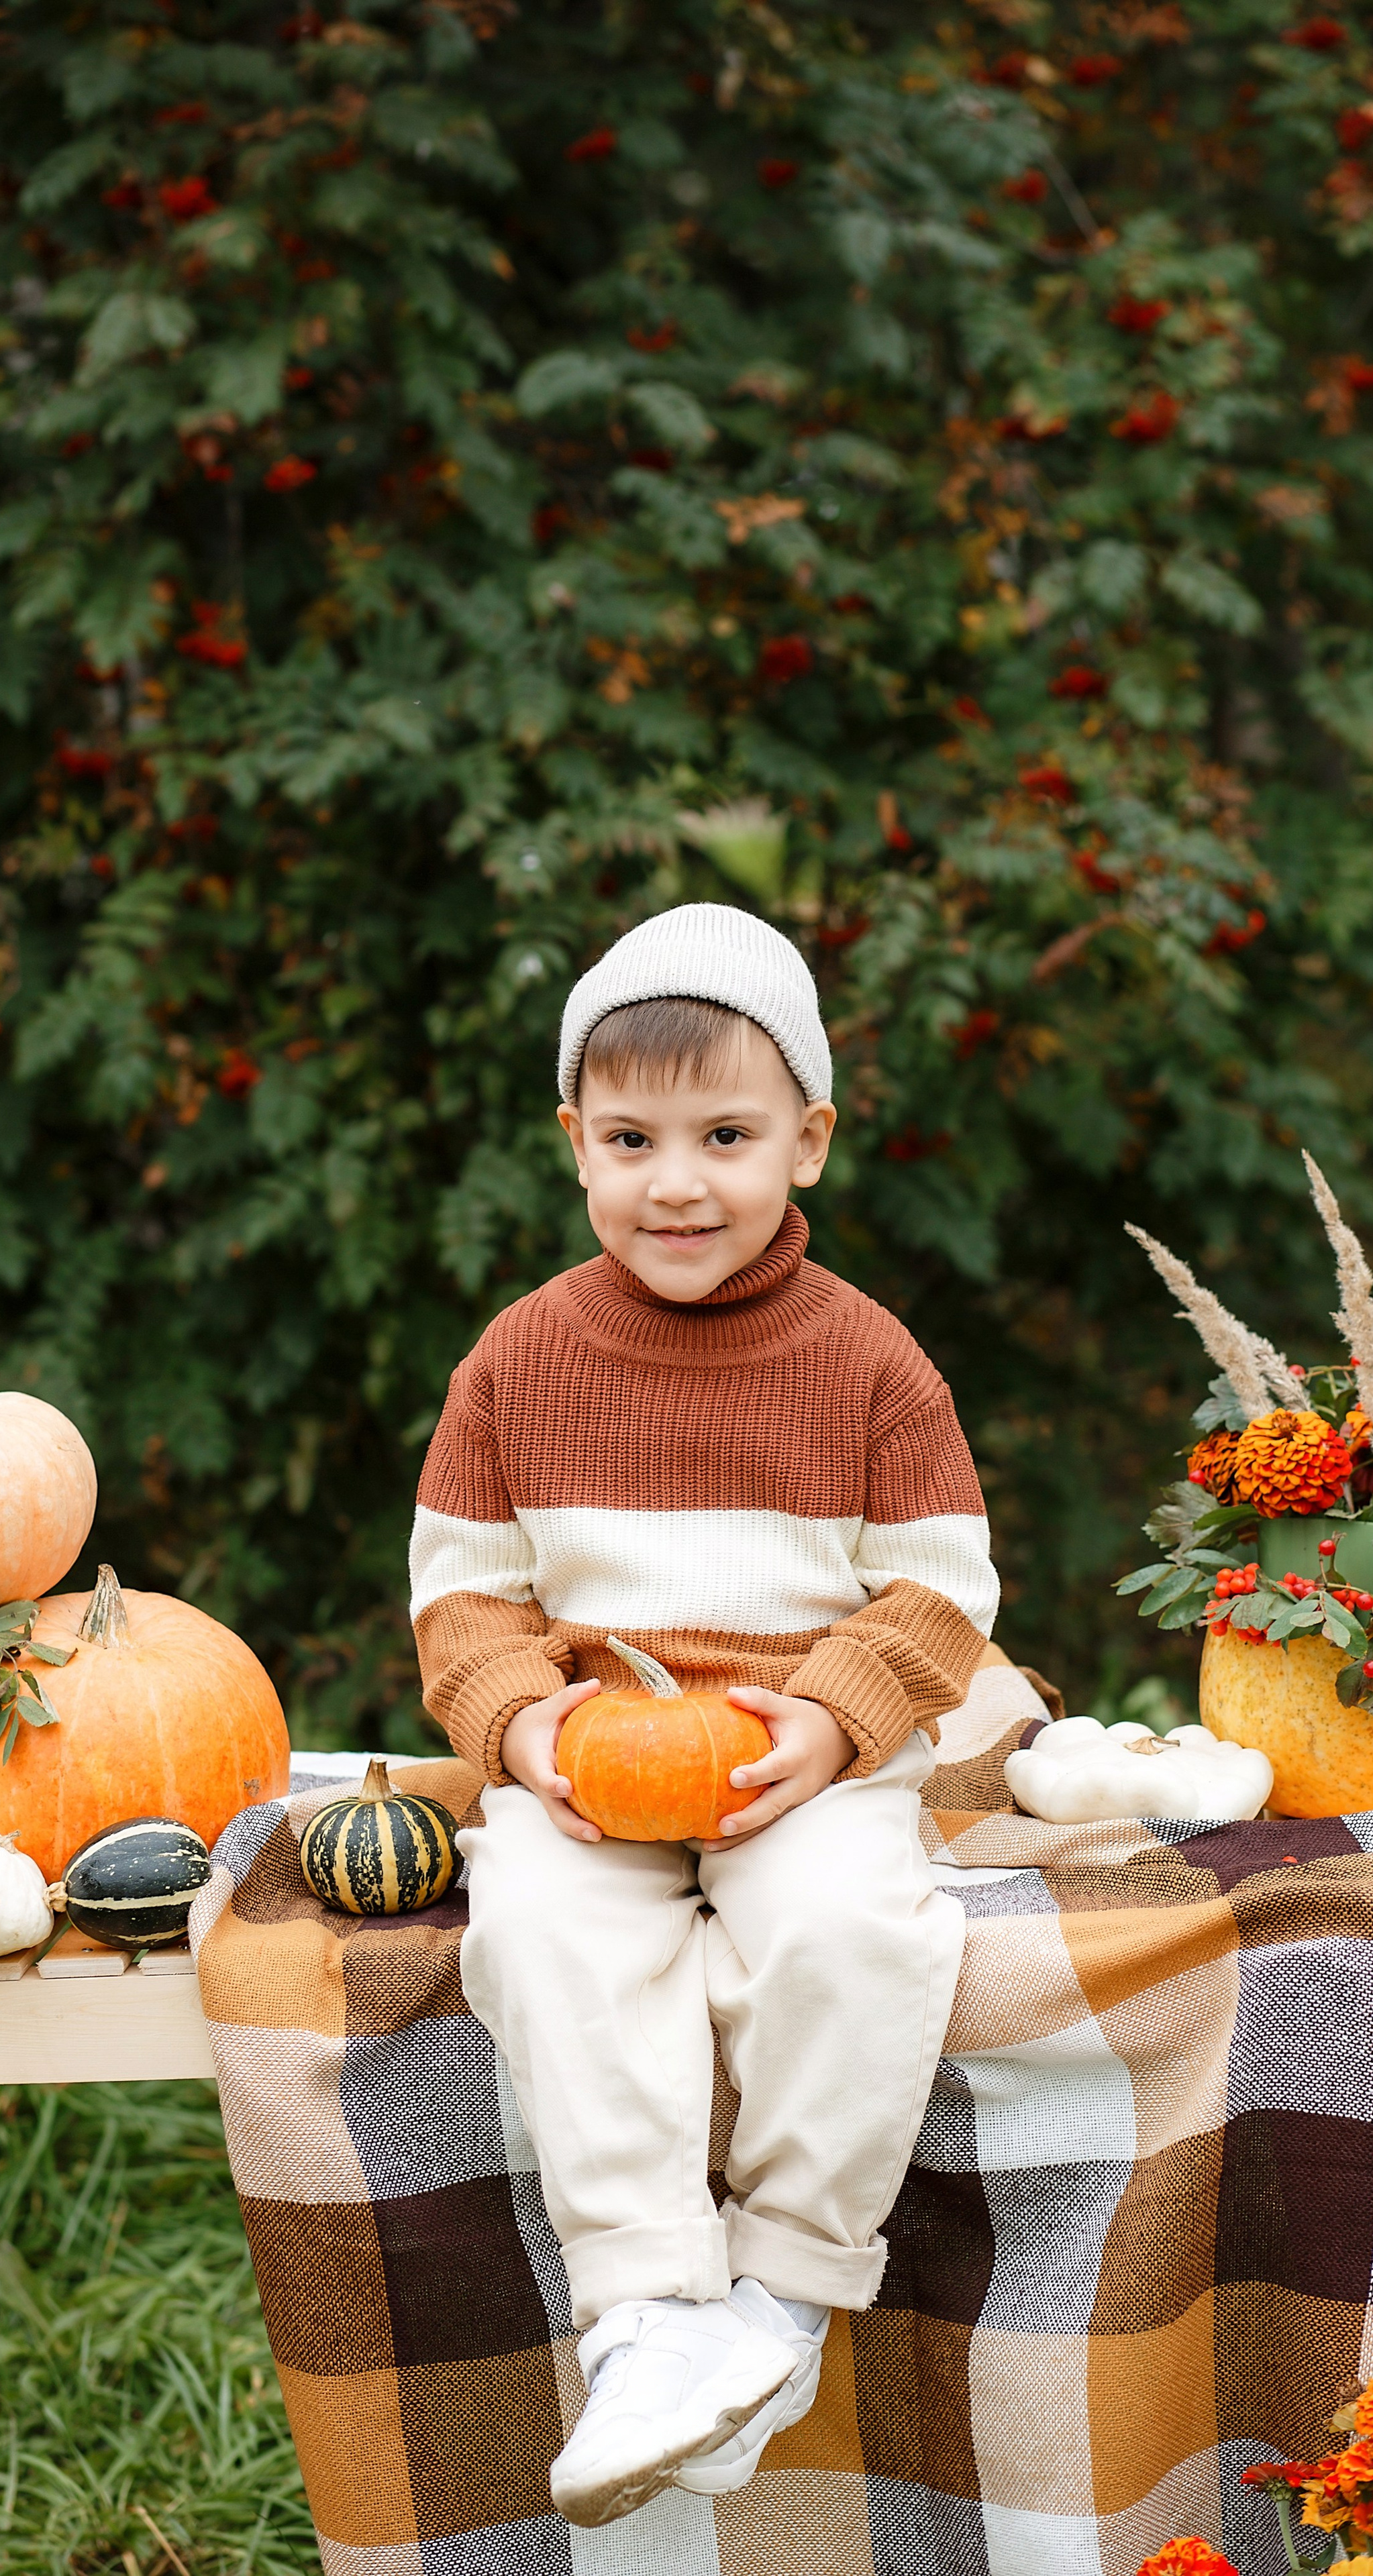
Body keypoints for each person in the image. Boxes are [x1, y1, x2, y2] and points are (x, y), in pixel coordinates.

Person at [409, 903, 999, 2527]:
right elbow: (463, 1596)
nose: (675, 1182)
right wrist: (519, 1725)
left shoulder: (869, 1363)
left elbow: (939, 1587)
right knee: (543, 1933)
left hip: (801, 1758)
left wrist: (836, 1716)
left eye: (725, 1137)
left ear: (808, 1141)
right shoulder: (518, 1361)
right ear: (573, 1146)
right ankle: (645, 2316)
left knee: (849, 1931)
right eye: (631, 1140)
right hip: (591, 1762)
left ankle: (781, 2299)